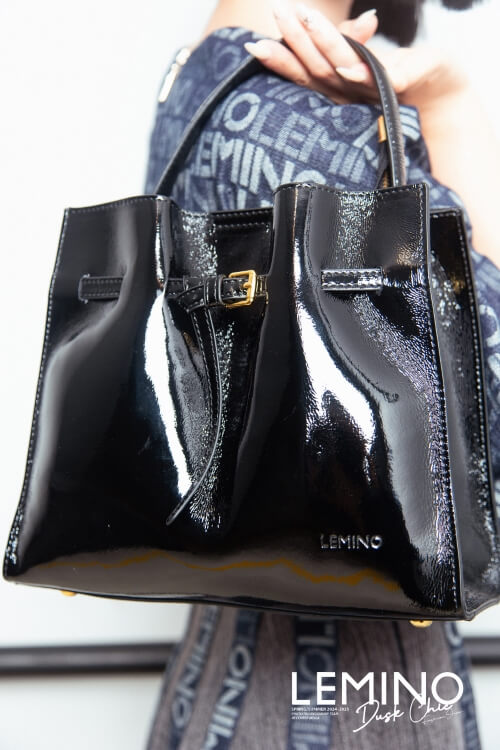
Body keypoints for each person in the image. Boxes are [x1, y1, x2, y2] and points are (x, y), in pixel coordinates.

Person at [144, 1, 500, 747]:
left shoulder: (196, 81)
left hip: (221, 674)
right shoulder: (316, 121)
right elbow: (486, 395)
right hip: (363, 697)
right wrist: (450, 105)